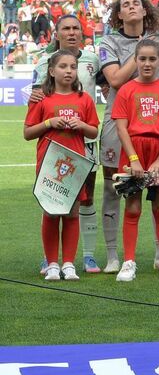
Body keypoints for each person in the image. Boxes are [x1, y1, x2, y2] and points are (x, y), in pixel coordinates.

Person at [98, 0, 159, 274]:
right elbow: (114, 80)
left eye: (135, 3)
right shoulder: (109, 41)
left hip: (154, 121)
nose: (131, 7)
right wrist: (140, 51)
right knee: (113, 186)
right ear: (119, 15)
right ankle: (113, 255)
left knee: (157, 186)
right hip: (119, 122)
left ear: (144, 10)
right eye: (125, 5)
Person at [111, 39, 159, 282]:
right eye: (142, 58)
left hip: (158, 153)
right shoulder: (126, 90)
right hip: (133, 152)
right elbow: (122, 128)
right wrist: (134, 159)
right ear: (135, 60)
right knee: (133, 208)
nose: (147, 63)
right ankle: (129, 263)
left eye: (152, 59)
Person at [30, 16, 101, 274]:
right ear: (52, 70)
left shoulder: (85, 95)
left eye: (73, 67)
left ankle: (72, 262)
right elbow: (28, 131)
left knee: (74, 210)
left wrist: (80, 125)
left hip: (77, 160)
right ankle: (50, 262)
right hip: (49, 160)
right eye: (63, 66)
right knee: (50, 211)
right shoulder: (43, 96)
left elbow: (94, 128)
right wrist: (50, 122)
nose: (69, 71)